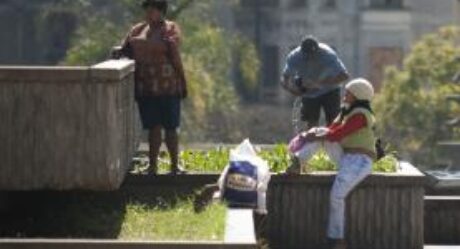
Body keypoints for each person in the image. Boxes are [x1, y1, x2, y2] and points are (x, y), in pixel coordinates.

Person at [286, 78, 376, 249]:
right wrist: (311, 134)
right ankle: (298, 162)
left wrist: (311, 136)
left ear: (358, 95)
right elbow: (331, 131)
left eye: (348, 92)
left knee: (336, 195)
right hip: (347, 156)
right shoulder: (346, 111)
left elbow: (339, 134)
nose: (344, 95)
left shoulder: (361, 114)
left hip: (360, 160)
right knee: (320, 130)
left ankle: (337, 240)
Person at [116, 0, 187, 175]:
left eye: (152, 9)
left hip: (168, 86)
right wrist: (119, 52)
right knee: (153, 127)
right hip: (146, 87)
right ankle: (153, 166)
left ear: (161, 11)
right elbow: (125, 49)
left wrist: (183, 81)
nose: (148, 13)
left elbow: (175, 57)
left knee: (171, 127)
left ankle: (174, 166)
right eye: (147, 9)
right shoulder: (137, 30)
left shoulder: (170, 29)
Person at [281, 35, 349, 130]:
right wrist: (292, 89)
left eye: (313, 55)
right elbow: (284, 78)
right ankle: (313, 143)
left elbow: (344, 75)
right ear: (302, 51)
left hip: (330, 90)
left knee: (333, 121)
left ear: (318, 50)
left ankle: (332, 143)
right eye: (307, 56)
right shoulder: (294, 57)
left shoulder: (328, 54)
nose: (311, 58)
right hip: (309, 93)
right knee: (311, 122)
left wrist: (319, 83)